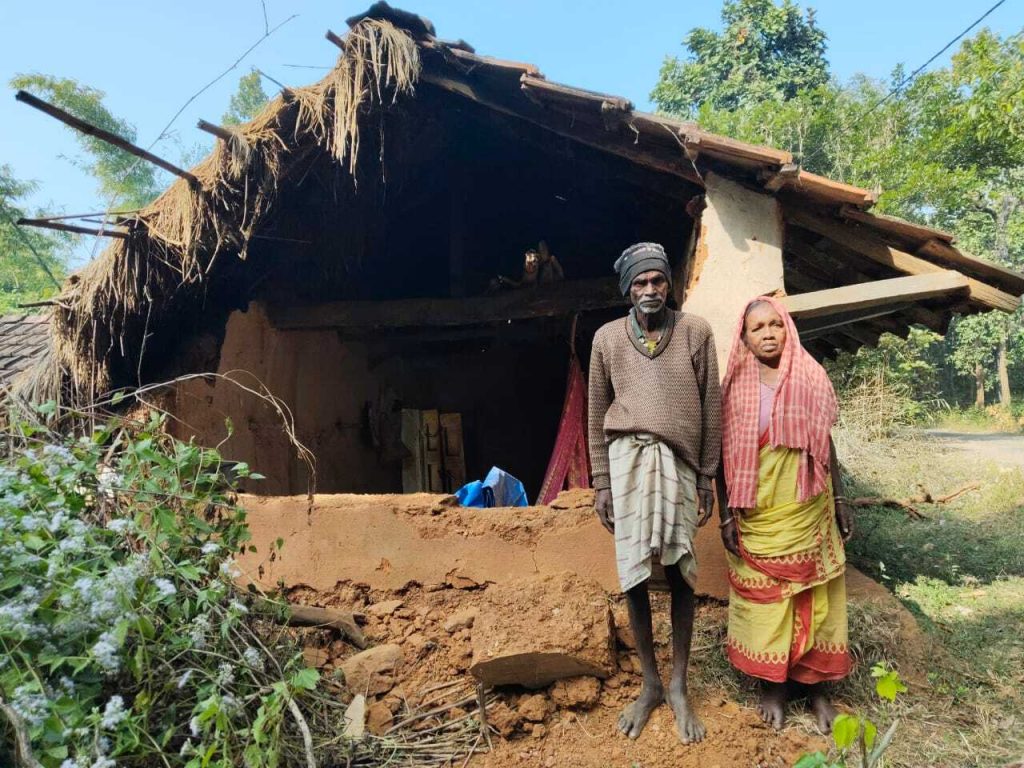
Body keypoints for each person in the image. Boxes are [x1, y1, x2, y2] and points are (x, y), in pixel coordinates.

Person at [588, 242, 721, 744]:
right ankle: (650, 684)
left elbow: (711, 406)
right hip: (626, 462)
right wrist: (601, 481)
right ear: (628, 289)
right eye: (641, 282)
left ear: (670, 284)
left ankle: (679, 685)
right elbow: (595, 411)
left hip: (680, 464)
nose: (650, 290)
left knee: (682, 569)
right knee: (634, 572)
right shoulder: (606, 338)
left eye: (658, 280)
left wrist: (706, 476)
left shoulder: (695, 332)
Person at [717, 295, 854, 733]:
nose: (768, 334)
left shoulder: (810, 375)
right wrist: (725, 516)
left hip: (809, 510)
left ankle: (817, 691)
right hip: (758, 514)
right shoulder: (732, 387)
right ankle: (772, 688)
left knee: (817, 599)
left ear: (787, 328)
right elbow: (720, 455)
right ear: (744, 337)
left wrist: (841, 500)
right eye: (757, 328)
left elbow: (825, 443)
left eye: (775, 324)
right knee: (767, 602)